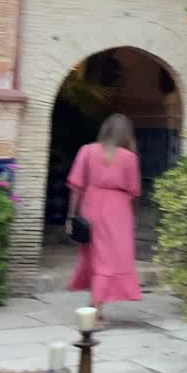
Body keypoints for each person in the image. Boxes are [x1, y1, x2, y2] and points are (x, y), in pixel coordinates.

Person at [66, 114, 143, 324]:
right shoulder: (129, 158)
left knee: (94, 256)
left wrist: (71, 216)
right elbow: (134, 190)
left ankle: (95, 305)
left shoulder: (87, 151)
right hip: (118, 210)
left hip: (91, 204)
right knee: (109, 259)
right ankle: (96, 311)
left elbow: (76, 186)